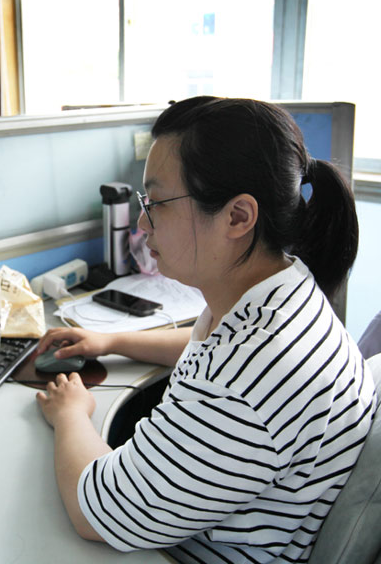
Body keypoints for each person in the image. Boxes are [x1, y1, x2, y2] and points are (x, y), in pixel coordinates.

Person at [34, 96, 376, 563]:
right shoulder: (283, 291)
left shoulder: (243, 388)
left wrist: (71, 412)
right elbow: (218, 350)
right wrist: (113, 341)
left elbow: (94, 514)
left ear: (238, 217)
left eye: (156, 203)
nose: (143, 222)